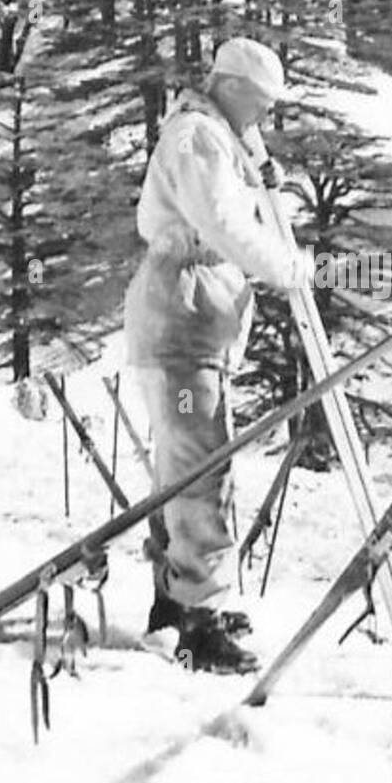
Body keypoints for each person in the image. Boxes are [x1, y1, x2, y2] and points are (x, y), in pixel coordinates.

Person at [124, 37, 306, 673]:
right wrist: (287, 270)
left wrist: (270, 190)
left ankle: (180, 604)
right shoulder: (198, 137)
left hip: (198, 323)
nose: (260, 117)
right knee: (198, 467)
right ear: (230, 86)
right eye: (257, 104)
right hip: (180, 327)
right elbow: (223, 222)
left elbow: (238, 203)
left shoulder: (219, 136)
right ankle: (196, 619)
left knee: (189, 465)